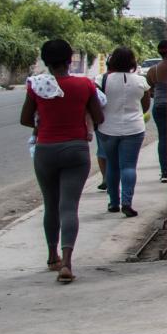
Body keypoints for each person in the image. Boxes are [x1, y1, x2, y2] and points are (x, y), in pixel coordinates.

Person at [19, 37, 103, 283]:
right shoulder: (85, 84)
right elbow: (99, 117)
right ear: (70, 60)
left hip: (45, 149)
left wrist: (42, 122)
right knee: (69, 206)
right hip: (76, 150)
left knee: (51, 204)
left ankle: (51, 256)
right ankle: (67, 263)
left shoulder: (37, 86)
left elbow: (25, 119)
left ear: (46, 61)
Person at [97, 46, 152, 217]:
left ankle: (113, 202)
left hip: (107, 128)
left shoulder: (102, 79)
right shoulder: (140, 81)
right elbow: (145, 106)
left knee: (112, 166)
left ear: (112, 61)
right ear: (132, 62)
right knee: (129, 166)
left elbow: (97, 103)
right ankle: (127, 202)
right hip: (134, 128)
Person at [145, 40, 167, 182]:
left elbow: (150, 90)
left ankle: (165, 172)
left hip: (159, 105)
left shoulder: (153, 70)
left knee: (163, 138)